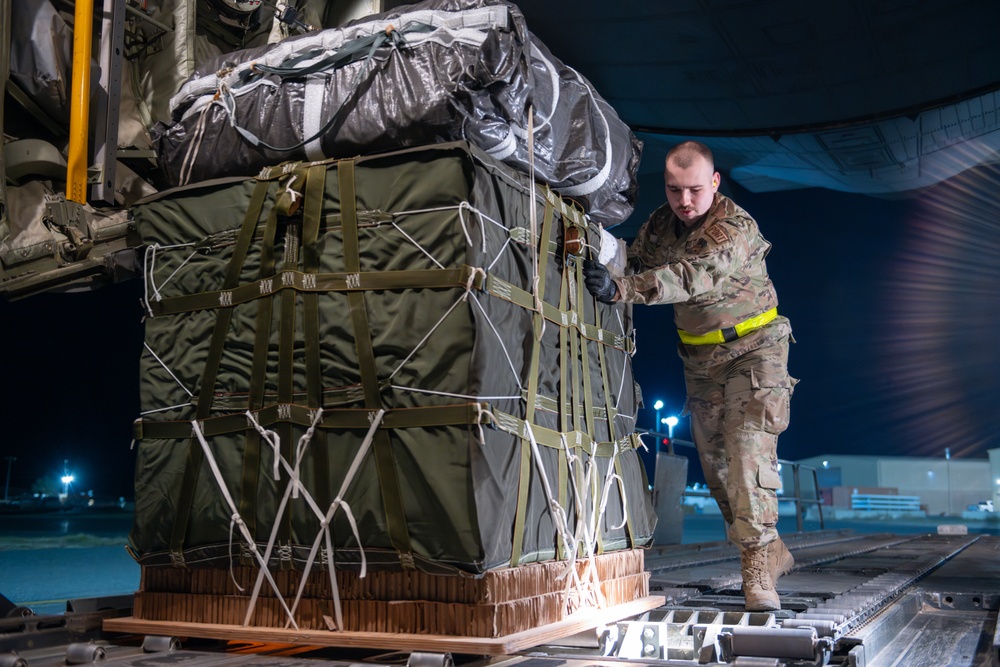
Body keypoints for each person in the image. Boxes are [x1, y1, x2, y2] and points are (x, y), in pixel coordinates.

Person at [582, 140, 796, 611]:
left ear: (714, 184)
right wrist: (601, 253)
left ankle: (758, 570)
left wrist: (620, 289)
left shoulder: (733, 228)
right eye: (675, 189)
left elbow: (689, 276)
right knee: (718, 472)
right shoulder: (662, 223)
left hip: (754, 352)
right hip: (700, 360)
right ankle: (769, 548)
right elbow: (637, 260)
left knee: (745, 457)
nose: (684, 201)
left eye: (695, 190)